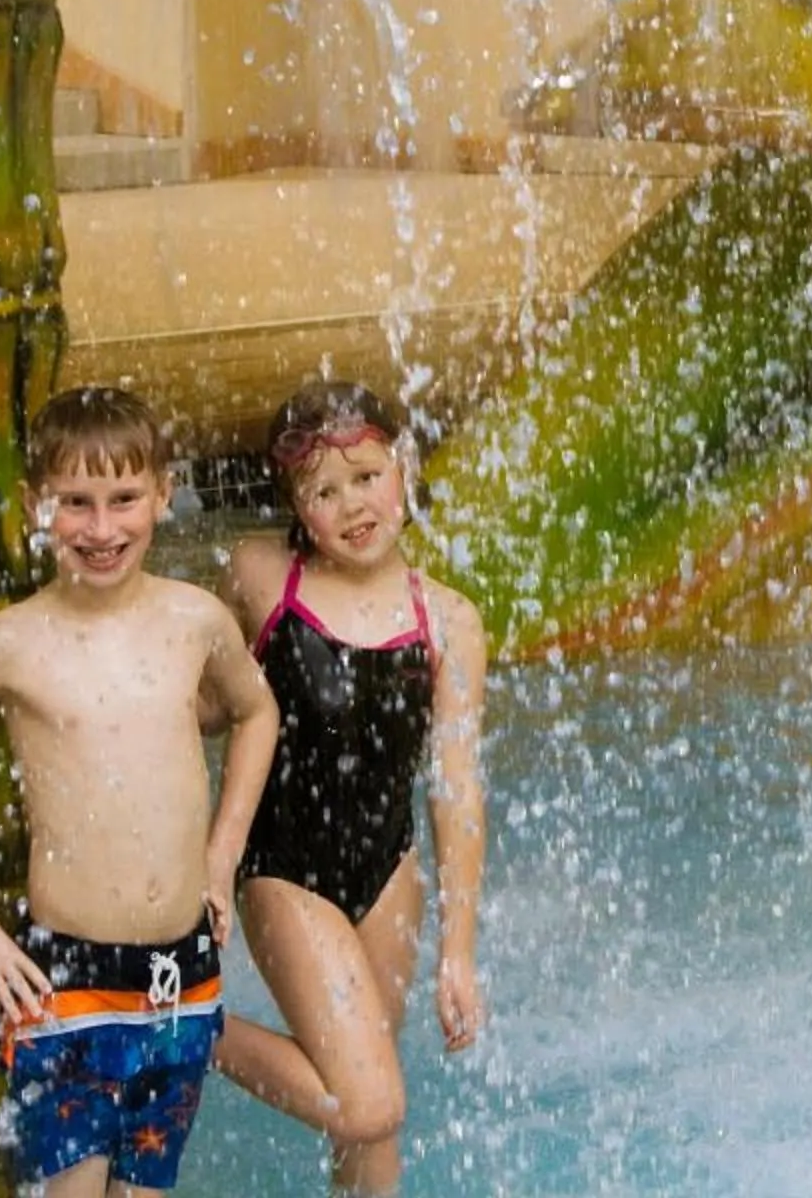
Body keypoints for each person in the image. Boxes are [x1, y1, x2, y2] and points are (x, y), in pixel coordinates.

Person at [0, 386, 278, 1198]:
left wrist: (222, 854)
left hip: (180, 971)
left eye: (123, 499)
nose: (101, 528)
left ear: (163, 493)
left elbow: (256, 711)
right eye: (75, 503)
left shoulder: (195, 620)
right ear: (35, 506)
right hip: (66, 976)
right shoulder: (10, 642)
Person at [212, 382, 488, 1196]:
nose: (353, 506)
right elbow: (200, 699)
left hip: (387, 873)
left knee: (371, 1120)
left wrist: (458, 950)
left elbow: (456, 786)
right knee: (367, 1104)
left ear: (404, 469)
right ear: (296, 507)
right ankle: (183, 1030)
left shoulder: (448, 620)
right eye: (324, 492)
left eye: (367, 477)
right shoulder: (264, 578)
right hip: (285, 867)